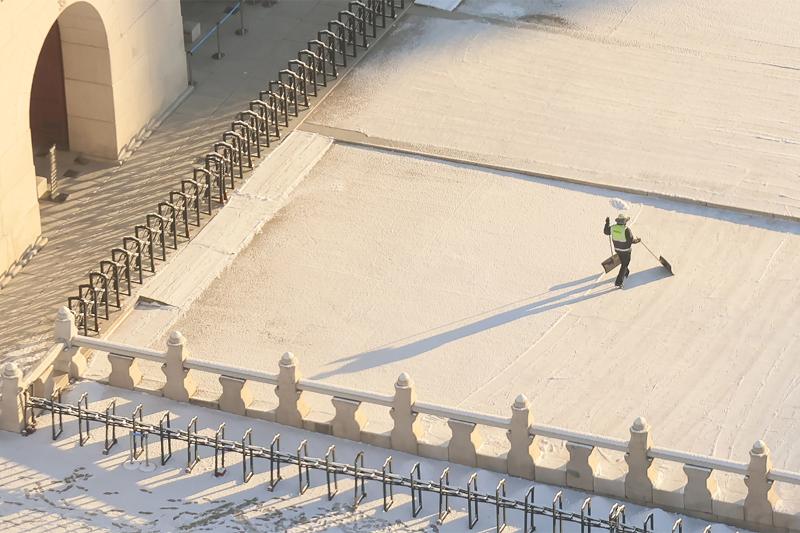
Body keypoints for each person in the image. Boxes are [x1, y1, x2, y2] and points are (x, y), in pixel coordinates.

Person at [604, 213, 640, 288]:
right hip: (626, 251)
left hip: (617, 250)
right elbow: (631, 240)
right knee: (625, 264)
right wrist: (637, 240)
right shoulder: (626, 230)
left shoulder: (613, 228)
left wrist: (607, 223)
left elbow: (606, 232)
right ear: (624, 222)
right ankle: (618, 282)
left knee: (623, 261)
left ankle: (626, 272)